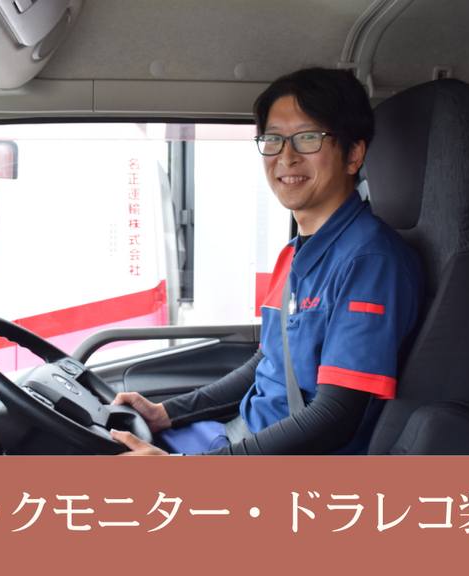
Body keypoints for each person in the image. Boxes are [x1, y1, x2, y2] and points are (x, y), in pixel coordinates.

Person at [109, 67, 423, 456]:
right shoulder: (294, 253)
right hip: (238, 438)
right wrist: (166, 414)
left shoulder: (372, 263)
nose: (286, 157)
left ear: (353, 155)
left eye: (308, 137)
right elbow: (268, 362)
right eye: (273, 139)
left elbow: (336, 417)